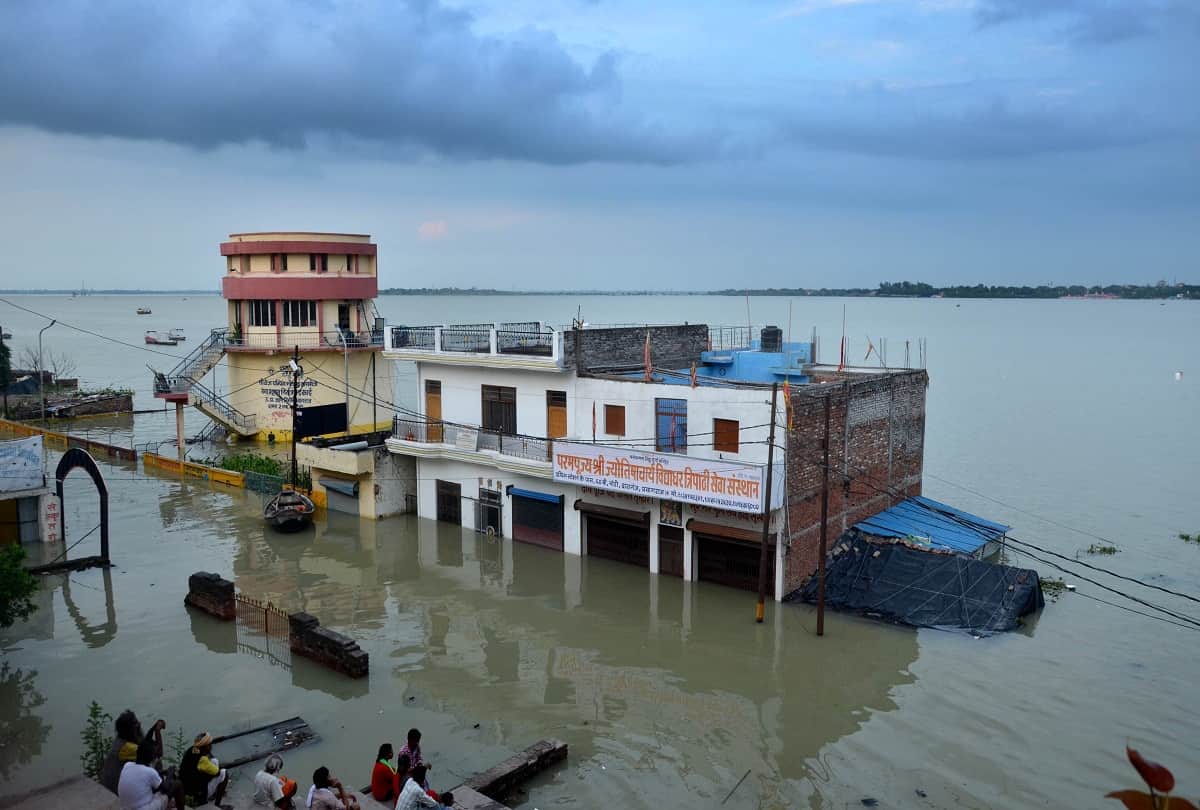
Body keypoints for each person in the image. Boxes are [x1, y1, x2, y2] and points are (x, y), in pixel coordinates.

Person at [101, 710, 165, 794]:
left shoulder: (121, 740)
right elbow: (158, 753)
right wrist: (157, 731)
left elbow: (144, 745)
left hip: (112, 786)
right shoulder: (126, 747)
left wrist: (153, 728)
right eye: (135, 723)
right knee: (157, 763)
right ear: (130, 729)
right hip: (116, 791)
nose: (139, 724)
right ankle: (160, 794)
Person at [117, 738, 175, 810]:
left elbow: (141, 776)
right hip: (143, 808)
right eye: (155, 755)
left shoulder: (127, 765)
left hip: (125, 807)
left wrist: (161, 772)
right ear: (151, 757)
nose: (156, 757)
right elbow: (165, 789)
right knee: (176, 784)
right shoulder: (150, 772)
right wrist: (170, 773)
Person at [179, 732, 229, 808]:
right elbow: (217, 773)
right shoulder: (202, 759)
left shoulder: (192, 749)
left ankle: (214, 792)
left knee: (214, 761)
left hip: (187, 787)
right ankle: (217, 804)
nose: (211, 746)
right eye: (210, 745)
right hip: (198, 793)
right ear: (206, 746)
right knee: (224, 773)